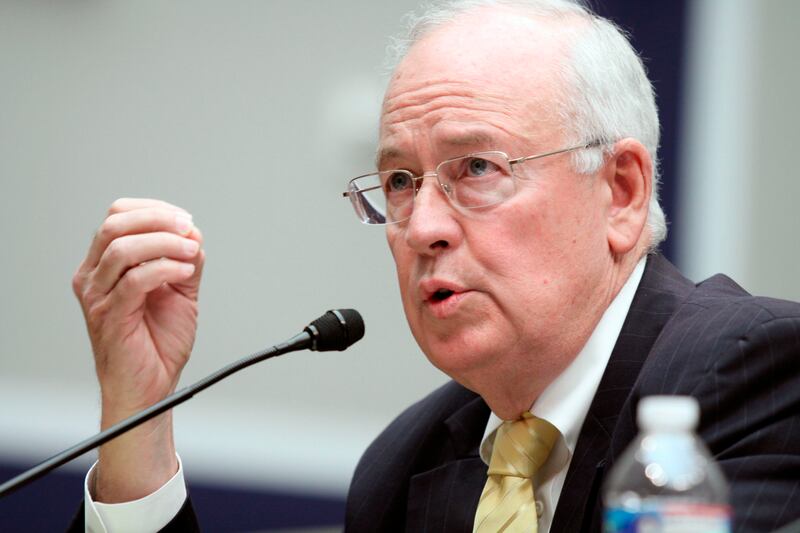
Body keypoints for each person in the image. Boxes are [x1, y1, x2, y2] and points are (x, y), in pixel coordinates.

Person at [69, 1, 800, 532]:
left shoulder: (750, 377)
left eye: (476, 167)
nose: (421, 226)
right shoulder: (405, 466)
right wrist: (139, 415)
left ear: (621, 192)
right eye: (398, 182)